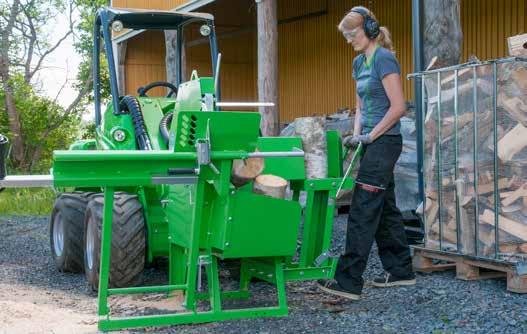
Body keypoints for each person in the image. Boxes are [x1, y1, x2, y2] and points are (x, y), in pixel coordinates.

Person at [318, 6, 415, 300]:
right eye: (346, 36)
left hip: (385, 142)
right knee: (384, 207)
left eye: (353, 34)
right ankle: (400, 271)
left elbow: (399, 107)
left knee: (363, 208)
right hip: (370, 141)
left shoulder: (384, 59)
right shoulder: (359, 62)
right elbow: (360, 104)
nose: (350, 40)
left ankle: (348, 281)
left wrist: (372, 135)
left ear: (370, 29)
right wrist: (357, 134)